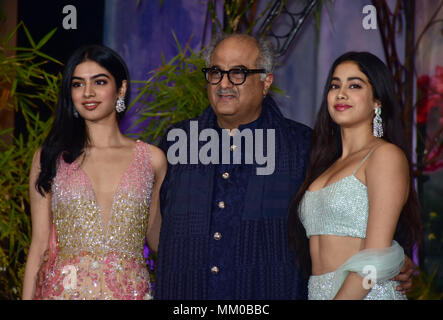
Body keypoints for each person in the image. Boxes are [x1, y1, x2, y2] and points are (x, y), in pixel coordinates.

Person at [155, 34, 414, 299]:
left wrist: (392, 258)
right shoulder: (177, 145)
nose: (224, 83)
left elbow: (362, 207)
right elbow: (156, 232)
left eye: (238, 73)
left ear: (266, 82)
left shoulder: (304, 147)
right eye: (215, 72)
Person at [22, 44, 167, 300]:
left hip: (130, 293)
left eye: (99, 82)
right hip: (64, 293)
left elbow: (158, 241)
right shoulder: (51, 157)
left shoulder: (151, 159)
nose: (88, 92)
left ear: (120, 89)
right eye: (78, 84)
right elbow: (39, 245)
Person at [288, 51, 422, 300]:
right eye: (335, 85)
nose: (341, 93)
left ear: (377, 101)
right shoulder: (324, 165)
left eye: (355, 85)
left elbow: (376, 255)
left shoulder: (385, 156)